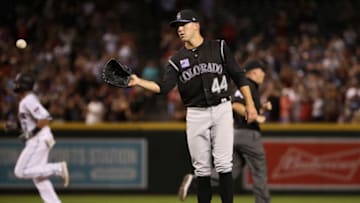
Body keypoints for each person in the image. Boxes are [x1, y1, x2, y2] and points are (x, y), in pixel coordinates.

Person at [128, 9, 257, 203]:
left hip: (222, 108)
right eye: (177, 26)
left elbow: (239, 76)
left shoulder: (219, 47)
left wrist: (250, 104)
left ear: (196, 25)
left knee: (224, 165)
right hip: (196, 113)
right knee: (202, 169)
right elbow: (163, 88)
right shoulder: (176, 60)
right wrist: (138, 81)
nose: (180, 29)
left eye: (184, 24)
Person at [178, 59, 272, 203]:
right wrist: (258, 116)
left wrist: (261, 108)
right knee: (259, 173)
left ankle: (196, 180)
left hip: (233, 135)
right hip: (247, 134)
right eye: (261, 71)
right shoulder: (247, 85)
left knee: (229, 172)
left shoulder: (242, 86)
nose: (263, 74)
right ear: (253, 72)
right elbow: (236, 105)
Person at [10, 73, 69, 203]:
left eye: (18, 83)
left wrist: (31, 133)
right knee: (40, 179)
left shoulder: (28, 100)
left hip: (38, 139)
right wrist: (15, 125)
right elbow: (29, 122)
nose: (16, 85)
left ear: (24, 85)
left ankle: (57, 168)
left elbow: (45, 118)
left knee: (20, 171)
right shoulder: (26, 100)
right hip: (40, 138)